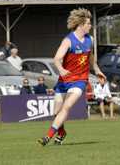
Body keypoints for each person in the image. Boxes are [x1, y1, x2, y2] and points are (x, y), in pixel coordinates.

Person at [37, 8, 106, 146]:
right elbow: (56, 59)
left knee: (67, 106)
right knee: (56, 112)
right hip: (64, 80)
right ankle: (61, 133)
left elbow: (90, 57)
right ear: (80, 25)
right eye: (88, 23)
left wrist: (97, 70)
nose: (90, 26)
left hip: (80, 80)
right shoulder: (68, 40)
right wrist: (61, 69)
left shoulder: (90, 39)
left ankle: (47, 137)